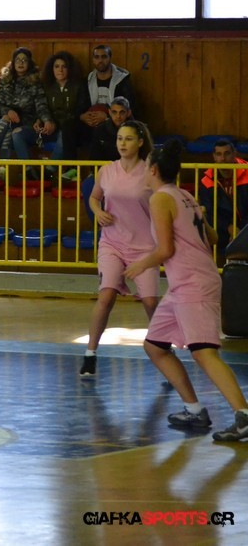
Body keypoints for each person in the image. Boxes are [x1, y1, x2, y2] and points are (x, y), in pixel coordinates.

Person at [124, 139, 248, 442]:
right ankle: (194, 410)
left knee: (204, 353)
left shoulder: (160, 199)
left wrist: (139, 265)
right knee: (155, 347)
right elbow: (213, 238)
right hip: (185, 283)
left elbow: (165, 249)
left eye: (146, 166)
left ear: (154, 170)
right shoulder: (185, 195)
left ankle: (244, 416)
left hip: (193, 283)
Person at [80, 120, 159, 377]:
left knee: (150, 301)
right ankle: (90, 354)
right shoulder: (106, 170)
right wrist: (97, 211)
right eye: (119, 138)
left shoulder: (150, 173)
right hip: (112, 242)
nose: (122, 143)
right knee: (106, 296)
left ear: (140, 142)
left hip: (145, 246)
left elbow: (165, 201)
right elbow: (94, 197)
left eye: (128, 139)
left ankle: (164, 351)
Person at [0, 48, 53, 170]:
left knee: (10, 125)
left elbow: (41, 105)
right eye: (18, 60)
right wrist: (8, 111)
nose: (20, 63)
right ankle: (2, 167)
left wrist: (46, 120)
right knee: (8, 120)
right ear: (13, 62)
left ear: (29, 63)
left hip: (27, 121)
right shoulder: (4, 80)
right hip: (5, 120)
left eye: (24, 60)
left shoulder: (35, 82)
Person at [39, 51, 89, 166]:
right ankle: (28, 170)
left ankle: (50, 169)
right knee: (20, 134)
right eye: (56, 66)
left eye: (64, 66)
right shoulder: (47, 86)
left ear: (70, 68)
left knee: (66, 131)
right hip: (50, 128)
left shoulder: (79, 85)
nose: (60, 70)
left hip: (71, 129)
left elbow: (81, 109)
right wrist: (45, 120)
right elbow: (42, 106)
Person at [199, 139, 248, 251]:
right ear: (214, 157)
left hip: (245, 227)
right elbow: (211, 212)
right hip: (222, 230)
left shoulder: (247, 171)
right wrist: (230, 228)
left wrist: (240, 232)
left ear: (234, 154)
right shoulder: (206, 181)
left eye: (227, 153)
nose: (223, 158)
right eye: (219, 154)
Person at [81, 45, 135, 131]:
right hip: (91, 122)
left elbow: (129, 106)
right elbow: (80, 105)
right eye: (97, 57)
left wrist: (108, 116)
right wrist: (82, 116)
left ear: (110, 58)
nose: (100, 60)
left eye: (104, 57)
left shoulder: (122, 80)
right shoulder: (87, 80)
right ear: (93, 59)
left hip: (115, 122)